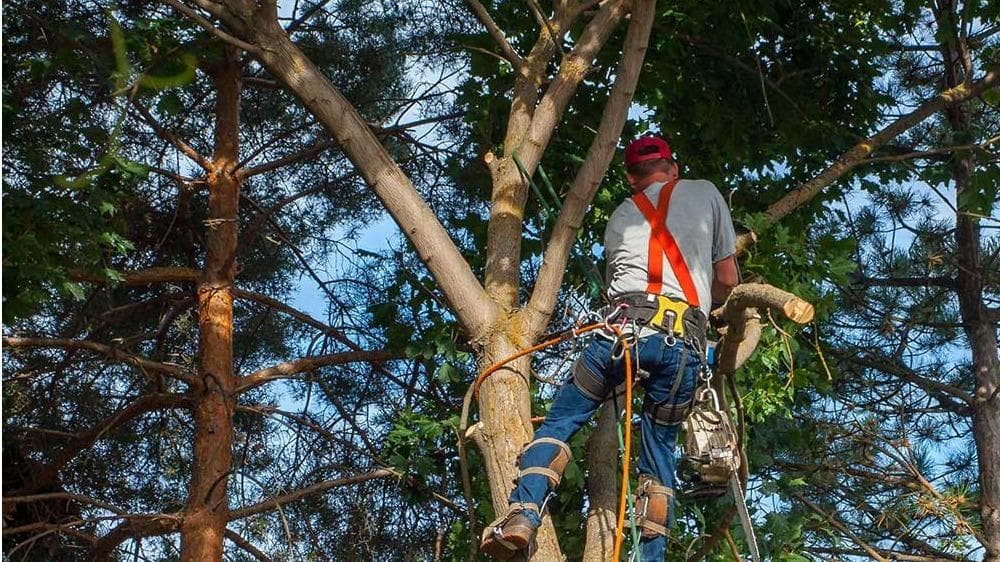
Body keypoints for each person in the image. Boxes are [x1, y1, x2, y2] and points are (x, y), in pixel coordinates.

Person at [479, 134, 739, 561]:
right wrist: (704, 309)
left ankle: (522, 515)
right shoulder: (705, 191)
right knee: (658, 455)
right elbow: (727, 279)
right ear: (672, 167)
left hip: (618, 336)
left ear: (632, 178)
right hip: (681, 348)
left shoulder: (620, 214)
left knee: (560, 422)